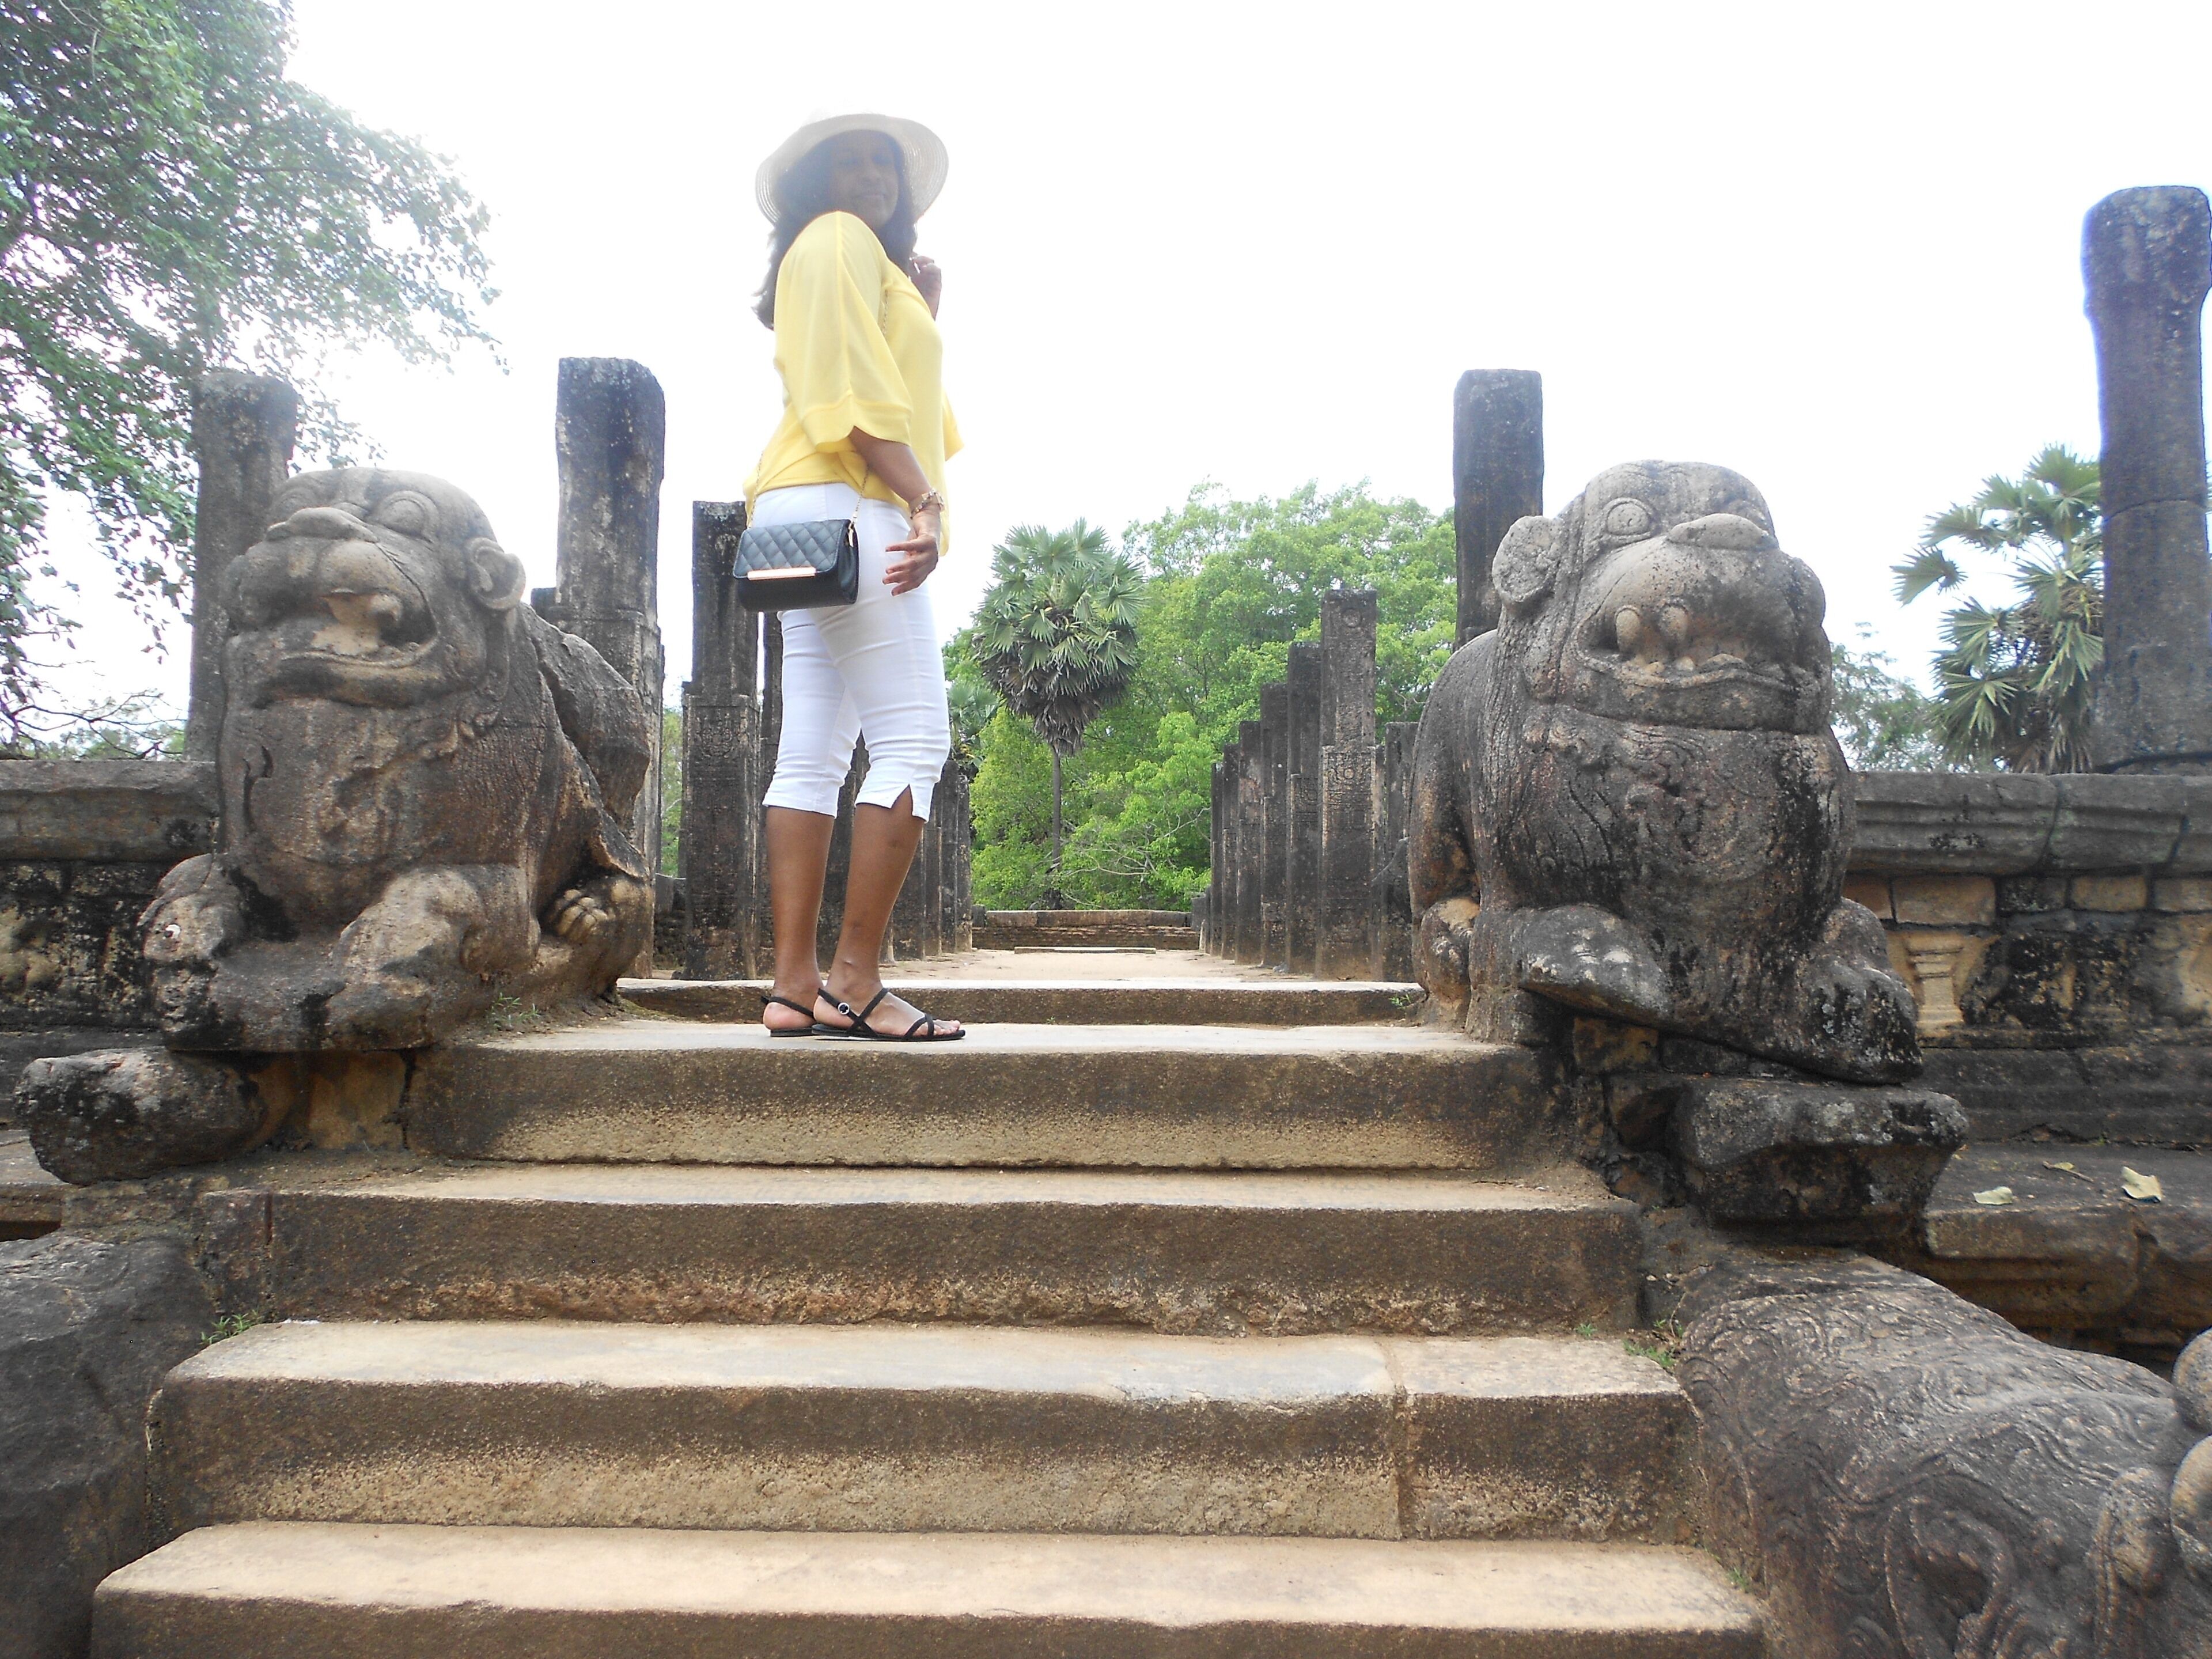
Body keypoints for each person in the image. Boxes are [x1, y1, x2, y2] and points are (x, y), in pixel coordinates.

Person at [744, 112, 964, 1041]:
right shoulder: (832, 239)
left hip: (799, 513)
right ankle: (856, 979)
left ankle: (796, 985)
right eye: (850, 159)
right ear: (813, 182)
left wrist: (919, 310)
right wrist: (924, 502)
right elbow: (848, 393)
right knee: (915, 741)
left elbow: (880, 378)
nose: (873, 173)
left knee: (814, 753)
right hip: (848, 502)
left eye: (885, 162)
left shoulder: (853, 260)